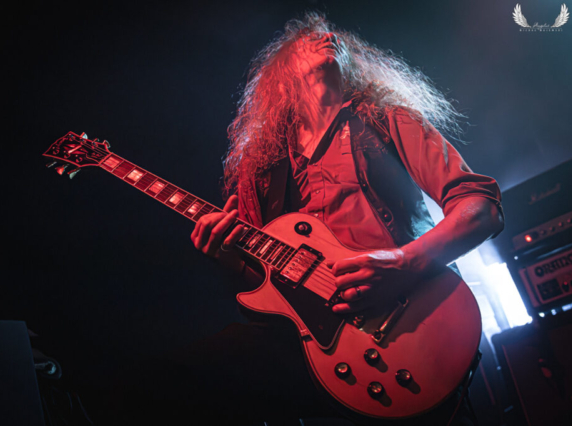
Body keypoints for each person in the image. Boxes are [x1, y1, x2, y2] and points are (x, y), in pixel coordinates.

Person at [185, 12, 503, 426]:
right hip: (315, 348)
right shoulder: (262, 168)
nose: (326, 37)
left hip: (413, 328)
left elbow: (481, 208)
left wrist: (403, 263)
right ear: (282, 74)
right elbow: (263, 290)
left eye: (329, 34)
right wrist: (229, 260)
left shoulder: (387, 120)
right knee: (188, 375)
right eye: (307, 40)